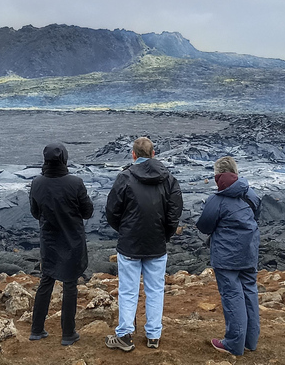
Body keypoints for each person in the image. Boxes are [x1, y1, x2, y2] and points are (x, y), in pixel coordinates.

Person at [104, 137, 183, 352]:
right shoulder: (168, 179)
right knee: (155, 290)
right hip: (156, 243)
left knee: (128, 291)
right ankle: (153, 336)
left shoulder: (125, 177)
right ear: (154, 153)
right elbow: (174, 212)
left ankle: (125, 334)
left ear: (133, 155)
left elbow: (112, 210)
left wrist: (124, 230)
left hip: (130, 243)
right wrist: (164, 234)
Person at [29, 143, 94, 346]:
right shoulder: (75, 183)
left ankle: (36, 330)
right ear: (64, 159)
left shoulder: (37, 183)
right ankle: (68, 333)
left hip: (49, 241)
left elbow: (35, 212)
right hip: (72, 240)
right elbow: (87, 212)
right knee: (70, 284)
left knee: (45, 282)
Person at [196, 156, 261, 356]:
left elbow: (205, 225)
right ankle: (250, 341)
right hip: (249, 252)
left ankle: (234, 343)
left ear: (218, 177)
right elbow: (256, 215)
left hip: (226, 257)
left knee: (232, 296)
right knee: (249, 292)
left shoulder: (217, 200)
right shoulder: (251, 195)